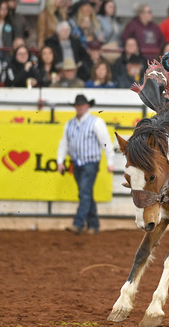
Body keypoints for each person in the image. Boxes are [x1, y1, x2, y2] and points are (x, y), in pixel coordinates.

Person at [57, 94, 115, 235]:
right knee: (86, 193)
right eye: (78, 105)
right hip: (77, 162)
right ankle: (93, 225)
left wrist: (110, 161)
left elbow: (105, 142)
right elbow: (64, 143)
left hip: (90, 162)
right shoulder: (70, 124)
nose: (80, 107)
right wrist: (60, 160)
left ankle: (78, 223)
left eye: (82, 105)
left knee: (84, 191)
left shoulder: (96, 122)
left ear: (87, 106)